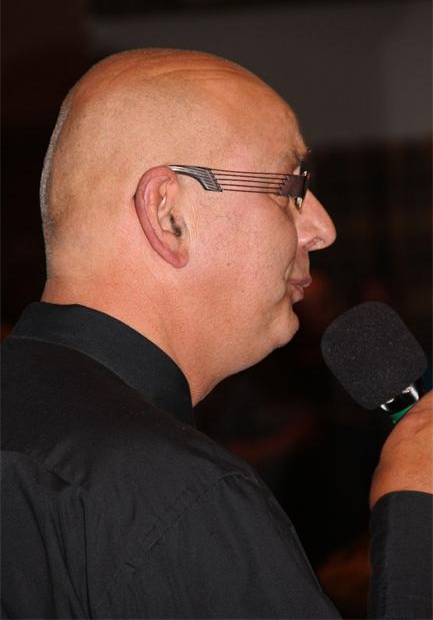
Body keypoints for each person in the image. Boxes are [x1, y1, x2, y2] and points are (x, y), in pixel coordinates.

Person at [2, 49, 431, 619]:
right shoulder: (178, 494)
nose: (322, 229)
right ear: (168, 216)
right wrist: (417, 519)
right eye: (289, 187)